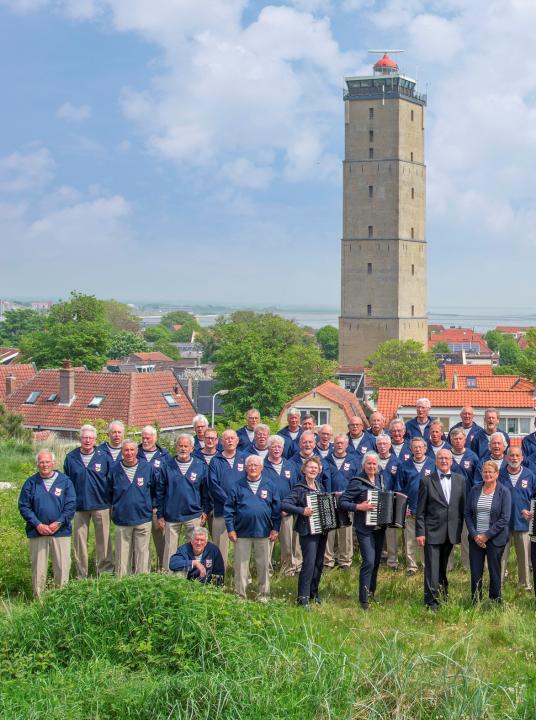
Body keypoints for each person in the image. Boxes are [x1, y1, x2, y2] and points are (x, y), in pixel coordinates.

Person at [18, 449, 76, 597]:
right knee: (39, 568)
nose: (44, 465)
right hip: (38, 531)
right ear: (37, 464)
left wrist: (59, 522)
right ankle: (38, 600)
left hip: (61, 531)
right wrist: (37, 524)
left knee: (62, 567)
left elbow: (71, 505)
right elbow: (24, 506)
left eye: (47, 462)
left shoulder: (65, 481)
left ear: (53, 463)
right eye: (41, 462)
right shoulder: (31, 483)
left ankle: (62, 599)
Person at [224, 455, 280, 602]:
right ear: (245, 468)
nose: (253, 468)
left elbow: (276, 509)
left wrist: (276, 528)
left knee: (263, 565)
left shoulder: (270, 485)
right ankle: (240, 595)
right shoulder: (237, 486)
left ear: (261, 467)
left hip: (264, 532)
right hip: (242, 533)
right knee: (241, 567)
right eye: (250, 465)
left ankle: (264, 595)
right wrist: (230, 529)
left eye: (256, 465)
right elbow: (229, 509)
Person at [415, 449, 465, 610]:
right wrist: (420, 532)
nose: (444, 461)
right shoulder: (427, 481)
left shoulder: (460, 480)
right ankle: (431, 602)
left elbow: (462, 507)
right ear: (435, 461)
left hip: (450, 532)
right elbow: (420, 510)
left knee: (443, 567)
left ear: (452, 461)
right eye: (441, 458)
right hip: (432, 531)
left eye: (447, 458)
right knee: (432, 567)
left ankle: (443, 595)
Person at [64, 423, 114, 579]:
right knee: (79, 543)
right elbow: (67, 482)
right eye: (84, 438)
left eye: (90, 438)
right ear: (80, 439)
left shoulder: (104, 456)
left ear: (95, 439)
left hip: (101, 504)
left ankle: (105, 573)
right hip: (79, 507)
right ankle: (81, 575)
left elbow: (111, 480)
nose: (87, 441)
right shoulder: (71, 458)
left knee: (104, 541)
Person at [340, 451, 386, 610]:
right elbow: (343, 502)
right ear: (363, 465)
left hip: (379, 527)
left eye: (374, 464)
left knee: (376, 563)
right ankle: (363, 599)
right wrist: (360, 507)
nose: (372, 466)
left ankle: (371, 593)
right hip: (363, 528)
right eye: (369, 464)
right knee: (369, 561)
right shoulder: (357, 482)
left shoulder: (380, 478)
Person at [157, 434, 210, 571]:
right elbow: (160, 491)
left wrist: (204, 510)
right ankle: (169, 578)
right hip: (171, 515)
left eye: (186, 446)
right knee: (170, 549)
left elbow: (205, 491)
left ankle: (191, 576)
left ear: (192, 448)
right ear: (176, 447)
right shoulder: (167, 466)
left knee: (193, 548)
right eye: (180, 446)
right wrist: (160, 514)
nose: (183, 449)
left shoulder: (200, 466)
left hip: (193, 515)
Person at [282, 456, 330, 607]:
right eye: (310, 467)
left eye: (315, 468)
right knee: (308, 563)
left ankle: (313, 593)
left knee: (318, 563)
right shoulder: (299, 488)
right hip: (307, 531)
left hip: (321, 530)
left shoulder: (320, 486)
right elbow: (285, 504)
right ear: (304, 470)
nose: (313, 470)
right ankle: (302, 597)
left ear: (319, 470)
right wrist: (302, 510)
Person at [465, 460, 511, 603]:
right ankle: (476, 600)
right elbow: (467, 513)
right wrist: (475, 535)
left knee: (494, 571)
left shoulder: (504, 492)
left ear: (497, 474)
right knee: (476, 571)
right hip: (476, 539)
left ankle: (495, 600)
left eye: (491, 472)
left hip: (495, 539)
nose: (487, 474)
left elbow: (505, 518)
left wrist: (486, 536)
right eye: (485, 471)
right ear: (481, 473)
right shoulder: (474, 490)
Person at [110, 439, 155, 576]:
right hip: (122, 520)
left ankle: (142, 582)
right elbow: (109, 492)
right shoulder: (114, 470)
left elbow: (155, 489)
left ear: (137, 451)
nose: (129, 453)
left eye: (132, 450)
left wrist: (151, 508)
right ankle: (122, 584)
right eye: (126, 450)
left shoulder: (147, 468)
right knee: (122, 556)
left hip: (143, 518)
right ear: (121, 452)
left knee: (142, 553)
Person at [395, 437, 435, 575]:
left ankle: (426, 564)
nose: (417, 449)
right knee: (410, 539)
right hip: (410, 510)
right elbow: (399, 489)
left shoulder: (432, 464)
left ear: (425, 448)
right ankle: (411, 566)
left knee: (426, 539)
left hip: (428, 511)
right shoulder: (404, 466)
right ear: (411, 449)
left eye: (420, 447)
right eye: (415, 447)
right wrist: (403, 507)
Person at [263, 435, 301, 576]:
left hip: (287, 512)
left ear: (283, 449)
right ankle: (266, 570)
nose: (276, 449)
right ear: (268, 448)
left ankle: (288, 570)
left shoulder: (290, 465)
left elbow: (296, 488)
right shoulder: (262, 465)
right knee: (268, 543)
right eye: (273, 446)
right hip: (268, 512)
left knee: (287, 543)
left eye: (279, 446)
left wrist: (288, 507)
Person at [207, 428, 246, 567]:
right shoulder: (215, 461)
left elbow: (251, 481)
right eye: (226, 438)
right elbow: (213, 485)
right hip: (221, 510)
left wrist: (239, 502)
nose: (229, 441)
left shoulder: (245, 458)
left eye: (232, 438)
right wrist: (230, 502)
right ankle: (219, 576)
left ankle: (242, 576)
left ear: (237, 440)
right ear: (221, 442)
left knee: (242, 546)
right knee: (220, 546)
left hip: (242, 510)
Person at [499, 445, 535, 591]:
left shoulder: (530, 475)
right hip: (502, 523)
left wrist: (532, 511)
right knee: (501, 555)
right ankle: (498, 583)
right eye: (511, 455)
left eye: (517, 456)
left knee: (524, 557)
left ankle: (525, 584)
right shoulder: (499, 475)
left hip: (523, 523)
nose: (514, 458)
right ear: (506, 457)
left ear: (522, 458)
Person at [138, 424, 171, 570]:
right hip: (140, 506)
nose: (145, 441)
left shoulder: (165, 455)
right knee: (140, 543)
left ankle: (163, 569)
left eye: (148, 438)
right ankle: (140, 570)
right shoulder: (135, 453)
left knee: (161, 541)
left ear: (155, 438)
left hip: (158, 506)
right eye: (143, 438)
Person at [324, 434, 359, 570]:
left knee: (346, 532)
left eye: (342, 443)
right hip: (329, 500)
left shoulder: (354, 461)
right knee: (329, 532)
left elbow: (357, 482)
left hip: (347, 500)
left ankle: (345, 561)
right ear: (333, 445)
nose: (339, 445)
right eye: (337, 443)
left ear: (346, 445)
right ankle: (328, 561)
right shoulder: (325, 461)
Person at [376, 433, 402, 570]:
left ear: (390, 445)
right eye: (379, 444)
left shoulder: (397, 462)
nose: (382, 446)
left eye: (384, 444)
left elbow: (399, 482)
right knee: (377, 529)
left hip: (391, 499)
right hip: (376, 499)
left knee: (391, 532)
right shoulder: (373, 460)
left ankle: (392, 560)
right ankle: (378, 556)